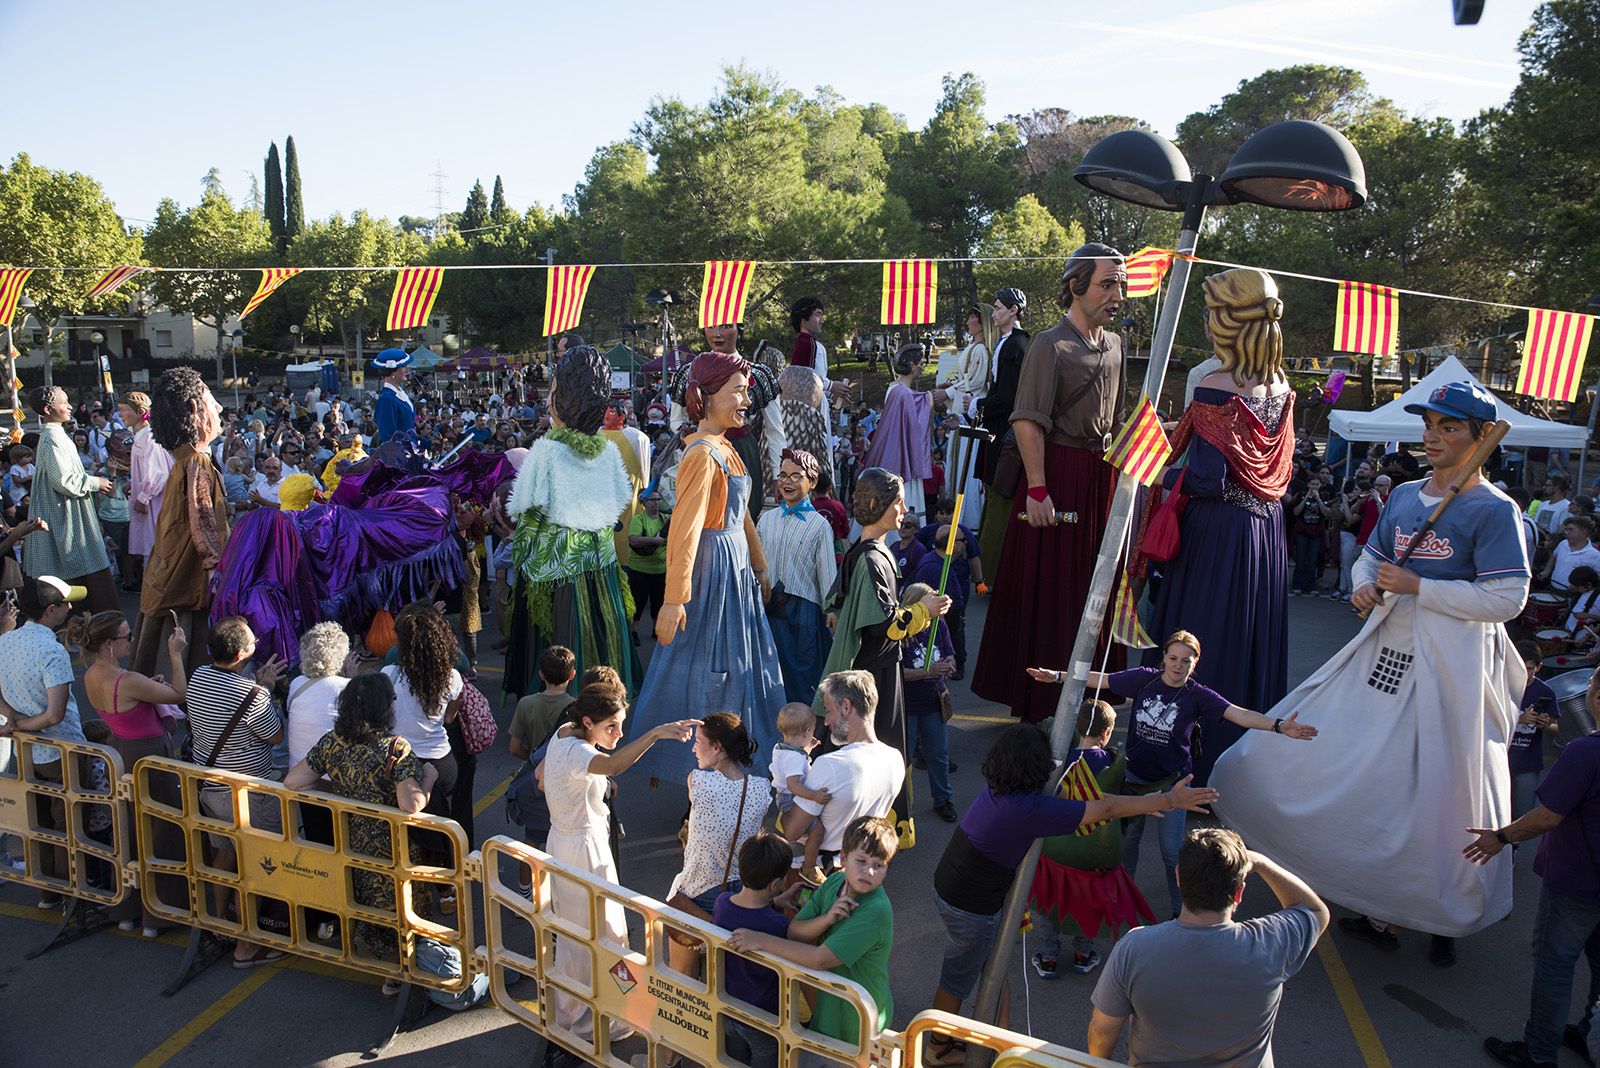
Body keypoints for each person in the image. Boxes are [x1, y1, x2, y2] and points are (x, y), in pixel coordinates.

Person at [1212, 379, 1530, 952]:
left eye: (1449, 427)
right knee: (1325, 755)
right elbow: (1373, 559)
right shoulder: (1407, 496)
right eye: (1430, 425)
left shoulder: (1495, 510)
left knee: (1438, 790)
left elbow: (1508, 598)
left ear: (1482, 436)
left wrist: (1420, 586)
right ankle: (1359, 884)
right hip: (1384, 652)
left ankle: (1433, 909)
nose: (1433, 436)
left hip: (1451, 669)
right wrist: (1364, 587)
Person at [926, 726, 1216, 1059]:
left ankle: (994, 1042)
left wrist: (1140, 802)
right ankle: (937, 1048)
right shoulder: (1029, 810)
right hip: (970, 905)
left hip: (951, 884)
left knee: (992, 967)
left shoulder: (1000, 789)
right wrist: (1167, 799)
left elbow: (1088, 802)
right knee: (958, 979)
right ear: (1036, 767)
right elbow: (1102, 810)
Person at [1134, 269, 1296, 780]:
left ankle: (1190, 761)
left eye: (1212, 313)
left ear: (1229, 322)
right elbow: (1277, 470)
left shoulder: (1213, 386)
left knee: (1204, 641)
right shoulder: (1281, 384)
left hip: (1219, 534)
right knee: (1248, 643)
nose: (1206, 323)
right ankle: (1244, 763)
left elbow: (1205, 477)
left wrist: (1162, 468)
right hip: (1266, 532)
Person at [1031, 630, 1316, 918]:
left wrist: (1279, 726)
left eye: (1186, 661)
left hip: (1172, 785)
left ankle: (1181, 909)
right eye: (1173, 658)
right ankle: (1116, 900)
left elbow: (1238, 713)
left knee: (1171, 851)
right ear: (1164, 658)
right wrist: (1057, 676)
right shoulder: (1145, 679)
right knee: (1126, 844)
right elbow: (1102, 680)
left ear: (1195, 663)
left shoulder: (1197, 695)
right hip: (1133, 780)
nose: (1178, 665)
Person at [974, 248, 1127, 723]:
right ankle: (1039, 704)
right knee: (1051, 587)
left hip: (1100, 477)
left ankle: (1089, 704)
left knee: (1093, 586)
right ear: (1077, 285)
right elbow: (1026, 421)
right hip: (1055, 474)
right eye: (1107, 284)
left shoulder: (1117, 344)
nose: (1117, 295)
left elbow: (1119, 421)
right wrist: (1038, 488)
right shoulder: (1048, 343)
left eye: (1120, 285)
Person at [633, 351, 785, 785]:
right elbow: (684, 530)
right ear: (706, 396)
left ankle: (730, 765)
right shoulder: (701, 454)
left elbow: (743, 517)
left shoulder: (725, 446)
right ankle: (703, 772)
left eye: (745, 391)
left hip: (734, 569)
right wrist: (674, 598)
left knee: (734, 666)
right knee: (710, 671)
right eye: (738, 391)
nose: (745, 400)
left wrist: (758, 565)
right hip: (713, 574)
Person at [1087, 829, 1329, 1066]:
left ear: (1179, 877)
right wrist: (1261, 863)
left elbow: (1102, 1030)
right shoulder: (1272, 942)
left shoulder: (1134, 947)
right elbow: (1316, 910)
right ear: (1239, 892)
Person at [537, 680, 696, 1036]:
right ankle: (603, 1020)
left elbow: (547, 780)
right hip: (586, 850)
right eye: (612, 726)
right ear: (589, 723)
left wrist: (593, 786)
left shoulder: (564, 731)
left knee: (574, 937)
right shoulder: (581, 753)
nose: (619, 733)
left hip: (560, 843)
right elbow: (612, 766)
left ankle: (575, 1013)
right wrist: (654, 734)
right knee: (604, 934)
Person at [1471, 667, 1600, 1068]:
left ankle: (1539, 1053)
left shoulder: (1585, 752)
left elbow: (1546, 817)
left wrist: (1501, 837)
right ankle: (1588, 1031)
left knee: (1555, 965)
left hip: (1578, 883)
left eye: (1592, 687)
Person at [814, 470, 951, 841]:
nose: (905, 510)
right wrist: (926, 610)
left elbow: (836, 603)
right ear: (877, 505)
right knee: (877, 748)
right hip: (875, 673)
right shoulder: (874, 558)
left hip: (864, 668)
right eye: (899, 502)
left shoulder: (862, 551)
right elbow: (887, 627)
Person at [502, 345, 641, 699]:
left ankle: (556, 701)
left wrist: (519, 551)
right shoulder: (608, 451)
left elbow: (527, 517)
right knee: (603, 633)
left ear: (561, 400)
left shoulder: (547, 451)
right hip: (602, 569)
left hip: (557, 574)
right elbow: (617, 507)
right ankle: (604, 695)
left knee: (562, 638)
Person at [284, 671, 436, 990]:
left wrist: (340, 787)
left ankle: (385, 966)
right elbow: (412, 804)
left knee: (368, 903)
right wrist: (429, 781)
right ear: (384, 709)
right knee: (405, 905)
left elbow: (292, 781)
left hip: (353, 841)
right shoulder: (395, 748)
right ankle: (403, 976)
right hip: (393, 846)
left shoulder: (332, 742)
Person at [727, 815, 899, 1053]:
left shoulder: (875, 910)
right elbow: (796, 932)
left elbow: (819, 959)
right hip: (829, 1007)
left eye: (879, 865)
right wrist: (828, 919)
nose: (869, 871)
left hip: (855, 1018)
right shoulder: (835, 881)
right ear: (844, 858)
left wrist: (762, 941)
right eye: (861, 861)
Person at [184, 615, 288, 967]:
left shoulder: (199, 677)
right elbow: (274, 735)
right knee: (259, 865)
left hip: (210, 788)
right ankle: (247, 945)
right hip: (249, 794)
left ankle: (222, 926)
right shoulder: (254, 695)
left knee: (224, 856)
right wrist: (267, 693)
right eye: (253, 641)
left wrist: (255, 688)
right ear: (242, 653)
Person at [1027, 700, 1154, 979]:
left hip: (1056, 850)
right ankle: (1084, 953)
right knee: (1088, 902)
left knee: (1050, 901)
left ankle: (1048, 956)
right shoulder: (1112, 762)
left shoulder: (1058, 759)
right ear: (1107, 732)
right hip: (1095, 855)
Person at [130, 369, 230, 678]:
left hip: (167, 574)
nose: (219, 409)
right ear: (193, 410)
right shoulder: (197, 462)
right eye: (212, 402)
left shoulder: (183, 459)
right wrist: (219, 571)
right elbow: (204, 524)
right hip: (189, 581)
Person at [0, 576, 89, 905]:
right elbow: (54, 715)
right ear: (51, 610)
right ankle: (73, 893)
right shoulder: (52, 650)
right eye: (66, 604)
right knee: (69, 825)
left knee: (38, 825)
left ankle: (47, 894)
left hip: (25, 753)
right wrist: (22, 724)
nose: (70, 607)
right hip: (61, 750)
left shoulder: (5, 642)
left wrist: (11, 722)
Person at [664, 712, 770, 974]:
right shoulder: (761, 788)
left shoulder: (698, 781)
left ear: (717, 747)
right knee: (724, 983)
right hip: (743, 895)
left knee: (683, 979)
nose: (693, 748)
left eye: (699, 742)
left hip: (698, 891)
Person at [782, 671, 904, 880]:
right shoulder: (895, 759)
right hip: (859, 872)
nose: (826, 722)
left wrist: (784, 795)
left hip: (816, 875)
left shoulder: (830, 765)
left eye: (829, 711)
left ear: (846, 707)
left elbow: (792, 831)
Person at [19, 387, 118, 613]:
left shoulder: (54, 435)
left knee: (77, 569)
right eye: (64, 403)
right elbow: (63, 480)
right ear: (48, 409)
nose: (70, 406)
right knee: (83, 573)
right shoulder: (53, 438)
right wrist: (95, 483)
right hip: (64, 514)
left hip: (64, 511)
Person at [754, 448, 837, 704]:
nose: (787, 482)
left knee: (802, 680)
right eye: (783, 475)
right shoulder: (766, 520)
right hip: (766, 608)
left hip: (802, 613)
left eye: (795, 476)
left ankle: (801, 736)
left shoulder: (820, 525)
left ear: (811, 482)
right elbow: (754, 564)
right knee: (766, 675)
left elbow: (827, 573)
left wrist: (831, 610)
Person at [713, 833, 797, 1067]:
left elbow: (749, 914)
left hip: (728, 1008)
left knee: (733, 1061)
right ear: (775, 885)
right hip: (763, 1019)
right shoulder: (778, 925)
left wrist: (774, 903)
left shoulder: (722, 903)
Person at [383, 604, 464, 833]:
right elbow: (449, 718)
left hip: (398, 762)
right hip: (441, 762)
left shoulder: (388, 675)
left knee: (405, 832)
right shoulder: (452, 677)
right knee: (443, 831)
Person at [975, 287, 1031, 569]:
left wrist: (979, 404)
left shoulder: (1015, 347)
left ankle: (992, 570)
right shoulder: (1007, 344)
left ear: (1013, 310)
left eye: (998, 307)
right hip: (999, 430)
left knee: (1001, 497)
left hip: (1006, 435)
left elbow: (1008, 398)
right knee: (994, 496)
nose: (994, 313)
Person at [863, 343, 947, 523]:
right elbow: (914, 427)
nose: (923, 365)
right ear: (910, 364)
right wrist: (928, 399)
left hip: (892, 453)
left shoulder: (894, 389)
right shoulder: (903, 393)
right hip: (901, 458)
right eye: (920, 362)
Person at [898, 581, 957, 822]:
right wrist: (928, 671)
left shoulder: (939, 626)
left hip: (934, 701)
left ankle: (943, 799)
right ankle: (900, 806)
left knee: (938, 754)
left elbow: (949, 654)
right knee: (903, 759)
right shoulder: (901, 632)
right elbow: (898, 675)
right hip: (908, 706)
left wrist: (950, 665)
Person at [284, 622, 354, 771]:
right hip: (331, 779)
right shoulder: (348, 687)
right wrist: (355, 680)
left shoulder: (297, 683)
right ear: (342, 656)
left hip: (296, 772)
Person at [120, 391, 169, 589]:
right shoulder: (141, 437)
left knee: (154, 547)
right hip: (147, 501)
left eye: (124, 410)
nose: (121, 414)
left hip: (153, 504)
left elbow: (158, 472)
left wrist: (144, 496)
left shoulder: (149, 438)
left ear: (140, 412)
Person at [1509, 639, 1559, 824]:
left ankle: (1514, 850)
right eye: (1521, 668)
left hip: (1527, 763)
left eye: (1529, 669)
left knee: (1521, 816)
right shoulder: (1502, 687)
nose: (1525, 674)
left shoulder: (1545, 691)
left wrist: (1545, 725)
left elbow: (1555, 729)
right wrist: (1518, 720)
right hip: (1500, 759)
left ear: (1538, 667)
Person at [944, 304, 995, 424]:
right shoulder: (973, 347)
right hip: (962, 404)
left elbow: (974, 381)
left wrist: (947, 393)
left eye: (972, 317)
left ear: (983, 323)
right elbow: (966, 377)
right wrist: (951, 384)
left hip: (969, 407)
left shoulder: (980, 350)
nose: (968, 322)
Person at [624, 489, 668, 626]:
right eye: (653, 500)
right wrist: (654, 541)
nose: (657, 503)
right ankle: (633, 631)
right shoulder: (639, 519)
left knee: (658, 602)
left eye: (659, 499)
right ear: (644, 503)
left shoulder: (665, 520)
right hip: (640, 570)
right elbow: (634, 540)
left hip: (661, 570)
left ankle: (656, 629)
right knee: (638, 602)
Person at [1540, 515, 1600, 592]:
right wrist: (1547, 570)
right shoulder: (1563, 543)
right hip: (1552, 588)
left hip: (1572, 596)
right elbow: (1554, 556)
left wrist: (1579, 587)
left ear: (1583, 533)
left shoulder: (1595, 556)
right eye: (1566, 529)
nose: (1566, 532)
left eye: (1570, 530)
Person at [371, 349, 416, 445]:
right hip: (399, 456)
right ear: (392, 372)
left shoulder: (399, 394)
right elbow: (389, 438)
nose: (408, 369)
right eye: (404, 366)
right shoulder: (387, 399)